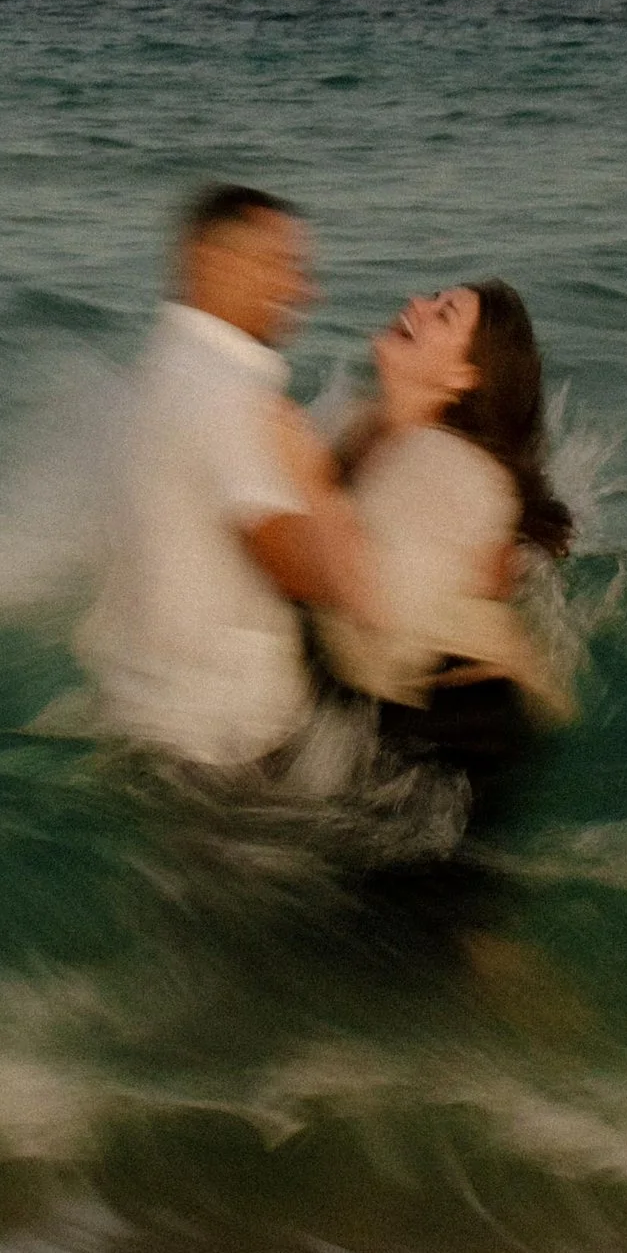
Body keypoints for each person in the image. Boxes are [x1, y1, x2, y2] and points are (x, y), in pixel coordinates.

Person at [78, 183, 433, 778]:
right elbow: (291, 562)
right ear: (212, 261)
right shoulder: (225, 391)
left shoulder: (165, 366)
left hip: (153, 716)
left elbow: (248, 489)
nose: (303, 290)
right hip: (228, 745)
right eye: (280, 264)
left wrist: (373, 432)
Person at [311, 279, 578, 832]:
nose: (417, 304)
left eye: (444, 314)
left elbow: (372, 605)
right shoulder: (361, 423)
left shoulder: (444, 471)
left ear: (465, 376)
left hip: (454, 731)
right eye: (433, 299)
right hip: (420, 710)